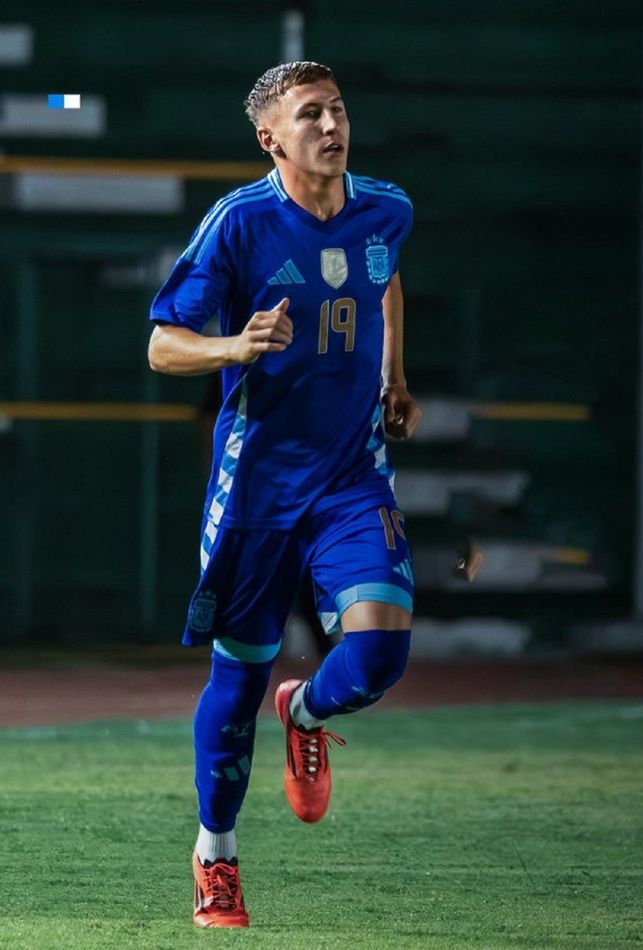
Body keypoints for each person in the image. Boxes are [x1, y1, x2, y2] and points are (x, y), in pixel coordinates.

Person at [147, 61, 422, 928]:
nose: (331, 126)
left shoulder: (388, 208)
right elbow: (162, 346)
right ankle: (215, 857)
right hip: (258, 490)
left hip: (351, 477)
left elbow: (385, 278)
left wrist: (395, 375)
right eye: (310, 115)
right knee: (237, 676)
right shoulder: (239, 223)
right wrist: (233, 347)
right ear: (270, 138)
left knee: (379, 656)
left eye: (337, 110)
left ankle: (303, 712)